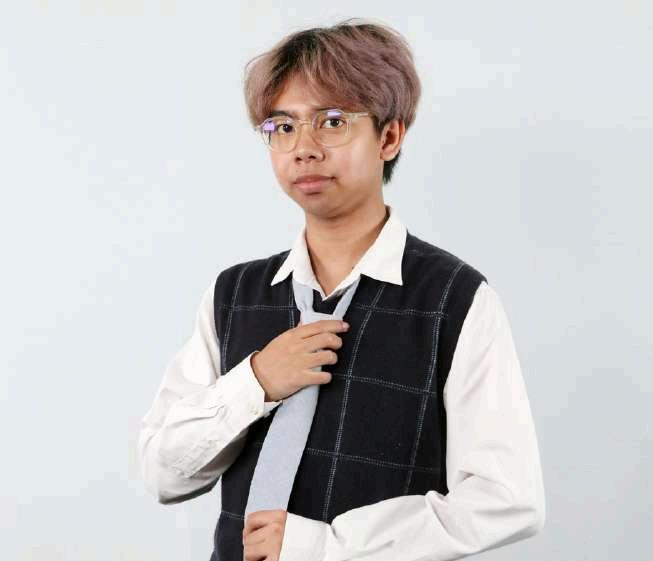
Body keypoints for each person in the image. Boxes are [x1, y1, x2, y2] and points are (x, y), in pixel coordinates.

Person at [138, 18, 545, 561]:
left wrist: (324, 547)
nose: (303, 148)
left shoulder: (454, 299)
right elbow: (163, 474)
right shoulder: (234, 294)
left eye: (332, 122)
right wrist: (255, 382)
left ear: (389, 137)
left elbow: (507, 499)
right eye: (283, 126)